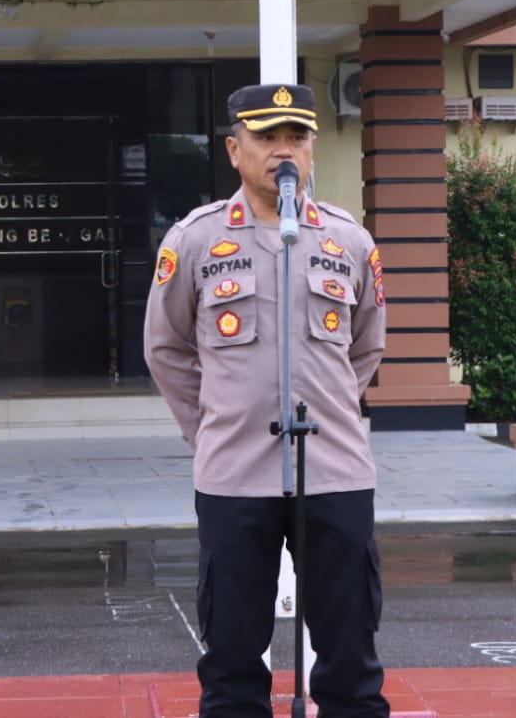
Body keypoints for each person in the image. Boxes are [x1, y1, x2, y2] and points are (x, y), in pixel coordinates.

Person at [144, 83, 390, 718]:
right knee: (231, 652)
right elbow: (166, 349)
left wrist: (331, 408)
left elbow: (365, 347)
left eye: (297, 137)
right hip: (234, 475)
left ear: (312, 149)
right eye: (267, 137)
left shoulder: (349, 240)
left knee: (350, 651)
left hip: (334, 471)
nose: (284, 150)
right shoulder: (194, 240)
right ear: (234, 149)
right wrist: (214, 428)